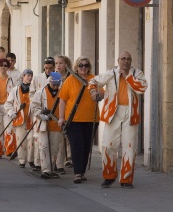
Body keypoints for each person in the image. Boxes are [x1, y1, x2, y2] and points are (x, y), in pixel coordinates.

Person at [88, 51, 147, 189]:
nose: (125, 61)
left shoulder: (137, 74)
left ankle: (126, 179)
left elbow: (142, 88)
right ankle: (109, 176)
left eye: (128, 59)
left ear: (131, 61)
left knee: (129, 147)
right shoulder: (110, 73)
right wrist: (93, 92)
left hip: (130, 113)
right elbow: (93, 81)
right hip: (112, 113)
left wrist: (127, 77)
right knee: (108, 146)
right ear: (118, 60)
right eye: (123, 59)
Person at [58, 56, 98, 184]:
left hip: (91, 119)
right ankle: (77, 173)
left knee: (86, 146)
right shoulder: (70, 80)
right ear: (76, 67)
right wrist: (61, 118)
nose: (83, 68)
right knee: (77, 145)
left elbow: (101, 93)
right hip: (73, 119)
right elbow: (62, 100)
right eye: (81, 65)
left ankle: (82, 171)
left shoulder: (94, 79)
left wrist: (99, 95)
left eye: (86, 65)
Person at [31, 72, 62, 179]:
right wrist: (41, 115)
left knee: (54, 148)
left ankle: (52, 168)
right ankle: (46, 170)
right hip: (44, 124)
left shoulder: (62, 93)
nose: (56, 87)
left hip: (57, 125)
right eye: (54, 85)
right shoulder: (40, 93)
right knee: (43, 146)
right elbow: (34, 107)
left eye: (58, 85)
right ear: (50, 82)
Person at [28, 57, 55, 171]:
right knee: (38, 138)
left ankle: (54, 166)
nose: (48, 70)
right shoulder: (37, 78)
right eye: (46, 68)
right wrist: (38, 105)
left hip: (53, 113)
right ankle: (37, 162)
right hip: (39, 112)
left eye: (50, 68)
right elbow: (31, 93)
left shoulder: (57, 78)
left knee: (54, 142)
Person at [5, 69, 33, 168]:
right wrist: (12, 113)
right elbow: (8, 104)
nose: (30, 77)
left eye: (31, 76)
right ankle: (22, 160)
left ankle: (31, 160)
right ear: (23, 76)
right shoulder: (15, 90)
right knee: (20, 140)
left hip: (31, 119)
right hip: (19, 119)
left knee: (31, 140)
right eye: (28, 75)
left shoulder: (34, 90)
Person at [55, 55, 73, 169]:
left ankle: (70, 157)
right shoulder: (53, 76)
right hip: (57, 107)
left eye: (60, 63)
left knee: (68, 134)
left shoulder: (71, 77)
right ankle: (59, 160)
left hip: (68, 107)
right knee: (59, 136)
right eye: (56, 63)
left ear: (65, 65)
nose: (58, 65)